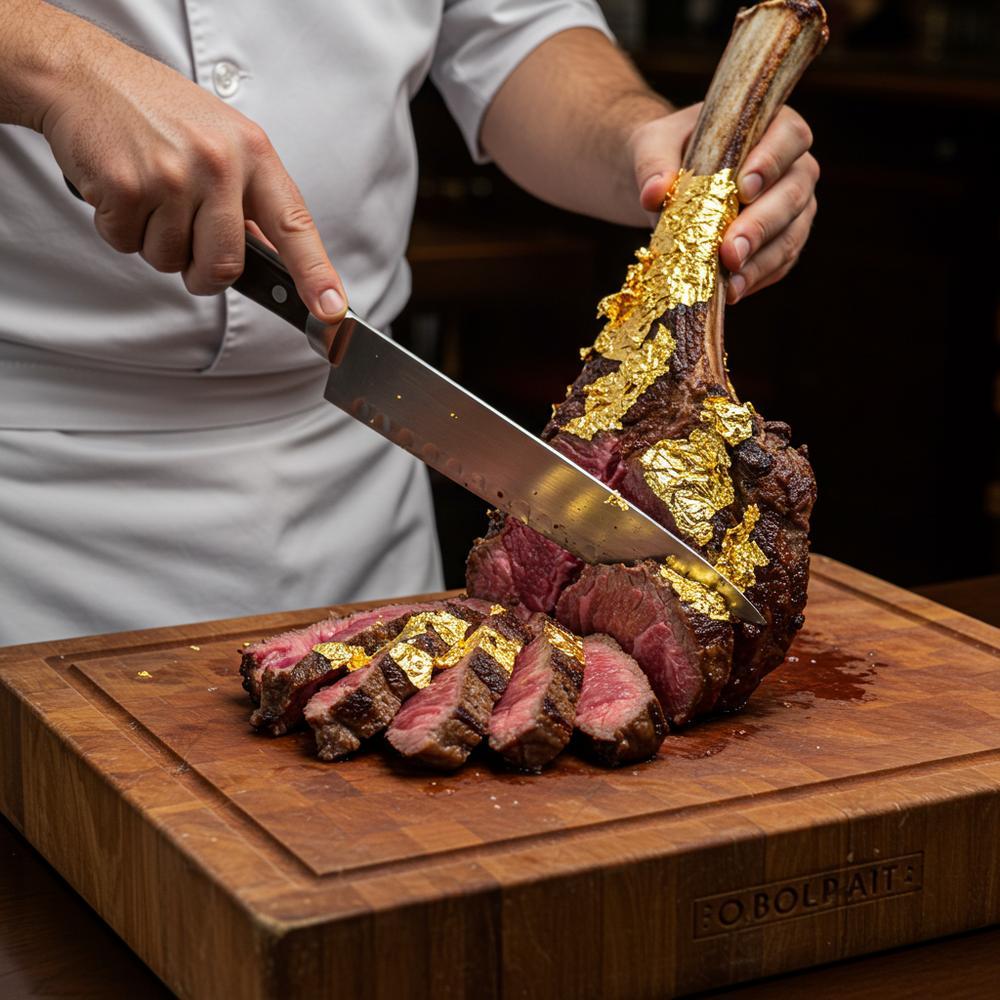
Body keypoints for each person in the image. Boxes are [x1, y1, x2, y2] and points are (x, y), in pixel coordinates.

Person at [0, 1, 819, 645]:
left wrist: (640, 142)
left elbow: (513, 29)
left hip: (355, 493)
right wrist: (59, 66)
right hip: (36, 506)